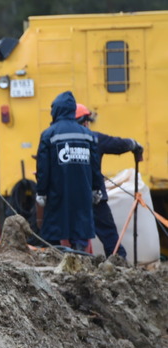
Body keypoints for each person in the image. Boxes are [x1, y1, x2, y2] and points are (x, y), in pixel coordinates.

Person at [34, 91, 103, 251]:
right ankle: (81, 261)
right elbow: (95, 165)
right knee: (80, 233)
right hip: (83, 195)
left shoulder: (48, 135)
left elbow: (43, 168)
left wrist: (41, 192)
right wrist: (96, 188)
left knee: (56, 233)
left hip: (58, 194)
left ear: (56, 110)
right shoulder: (88, 135)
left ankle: (59, 261)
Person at [75, 102, 142, 259]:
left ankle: (77, 262)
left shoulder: (60, 140)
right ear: (85, 121)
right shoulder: (95, 138)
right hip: (95, 196)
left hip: (73, 198)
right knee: (109, 236)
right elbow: (118, 144)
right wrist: (134, 144)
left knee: (75, 236)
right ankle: (118, 264)